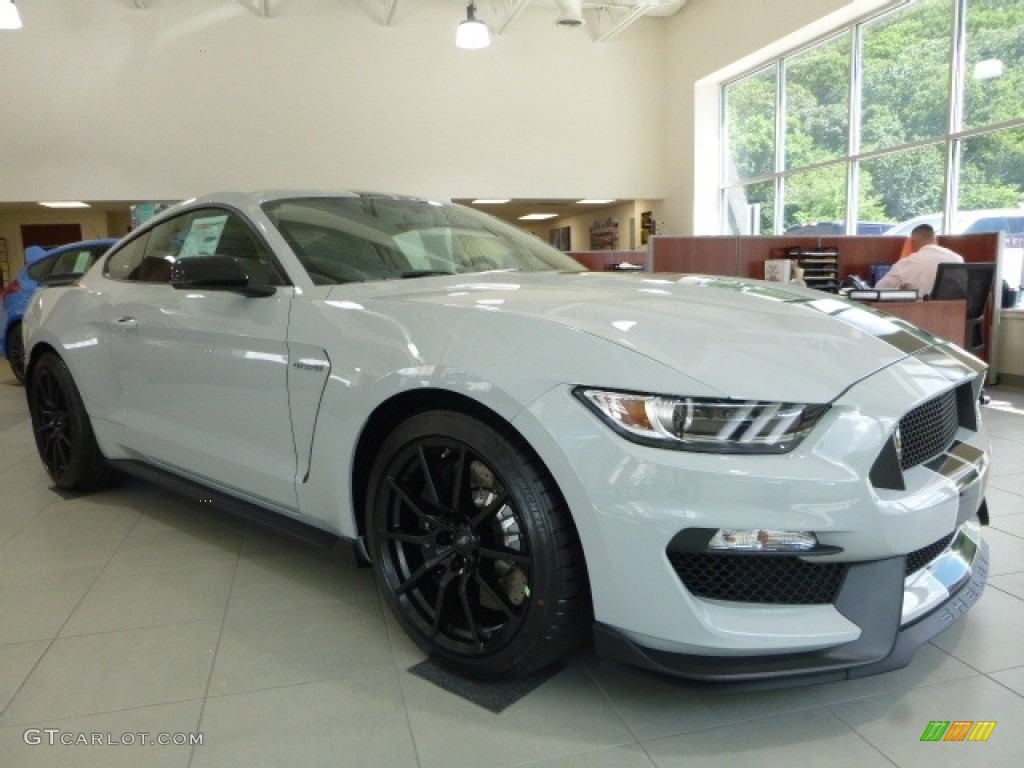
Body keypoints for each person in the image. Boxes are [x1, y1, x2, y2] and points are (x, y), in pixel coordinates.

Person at [874, 223, 963, 296]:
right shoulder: (958, 258)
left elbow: (879, 290)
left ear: (912, 242)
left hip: (916, 314)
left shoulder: (908, 262)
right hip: (954, 314)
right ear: (937, 240)